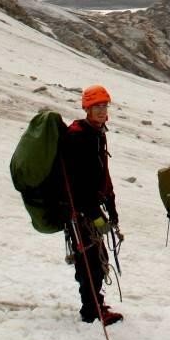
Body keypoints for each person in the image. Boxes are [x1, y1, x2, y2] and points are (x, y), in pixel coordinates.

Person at [63, 84, 123, 326]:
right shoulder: (79, 137)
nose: (101, 110)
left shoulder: (97, 133)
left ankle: (95, 302)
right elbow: (80, 182)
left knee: (97, 257)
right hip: (81, 211)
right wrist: (97, 214)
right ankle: (91, 310)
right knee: (90, 261)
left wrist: (111, 207)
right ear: (86, 108)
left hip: (89, 209)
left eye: (104, 106)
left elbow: (101, 175)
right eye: (96, 106)